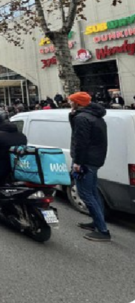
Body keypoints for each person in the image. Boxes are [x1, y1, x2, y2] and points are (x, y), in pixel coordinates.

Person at [68, 92, 111, 242]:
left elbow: (81, 142)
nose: (70, 103)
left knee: (86, 194)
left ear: (77, 103)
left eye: (72, 101)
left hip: (85, 160)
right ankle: (97, 222)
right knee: (93, 192)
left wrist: (78, 163)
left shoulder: (81, 118)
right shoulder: (95, 116)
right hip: (95, 159)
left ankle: (103, 230)